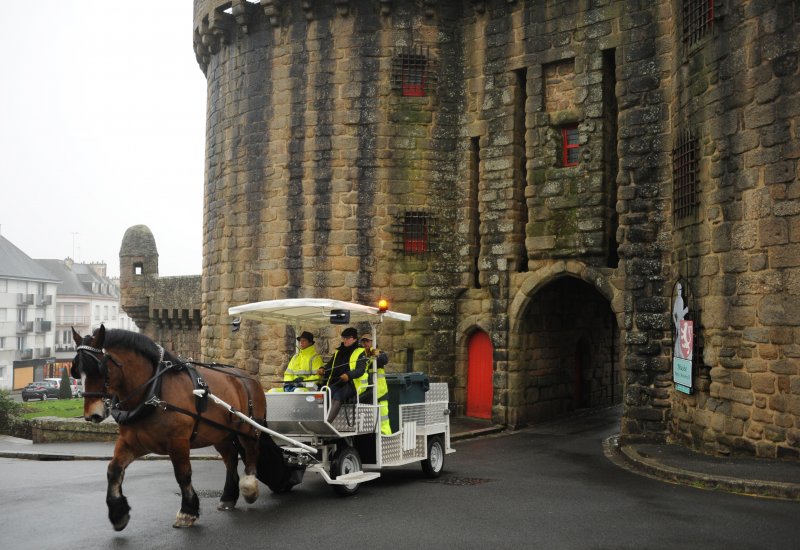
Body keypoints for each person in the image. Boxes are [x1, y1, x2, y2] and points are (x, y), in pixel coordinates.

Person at [317, 327, 367, 423]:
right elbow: (330, 364)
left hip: (352, 383)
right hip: (338, 381)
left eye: (348, 338)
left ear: (355, 339)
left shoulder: (360, 351)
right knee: (327, 392)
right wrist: (323, 369)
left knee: (338, 395)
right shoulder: (338, 351)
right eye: (344, 338)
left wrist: (348, 375)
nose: (345, 340)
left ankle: (327, 423)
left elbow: (360, 370)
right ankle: (320, 420)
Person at [358, 333, 392, 435]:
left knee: (383, 422)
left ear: (373, 342)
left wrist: (378, 355)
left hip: (380, 394)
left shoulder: (377, 352)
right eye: (363, 341)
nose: (365, 343)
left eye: (367, 341)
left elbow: (384, 359)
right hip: (368, 394)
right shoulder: (362, 355)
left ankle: (386, 439)